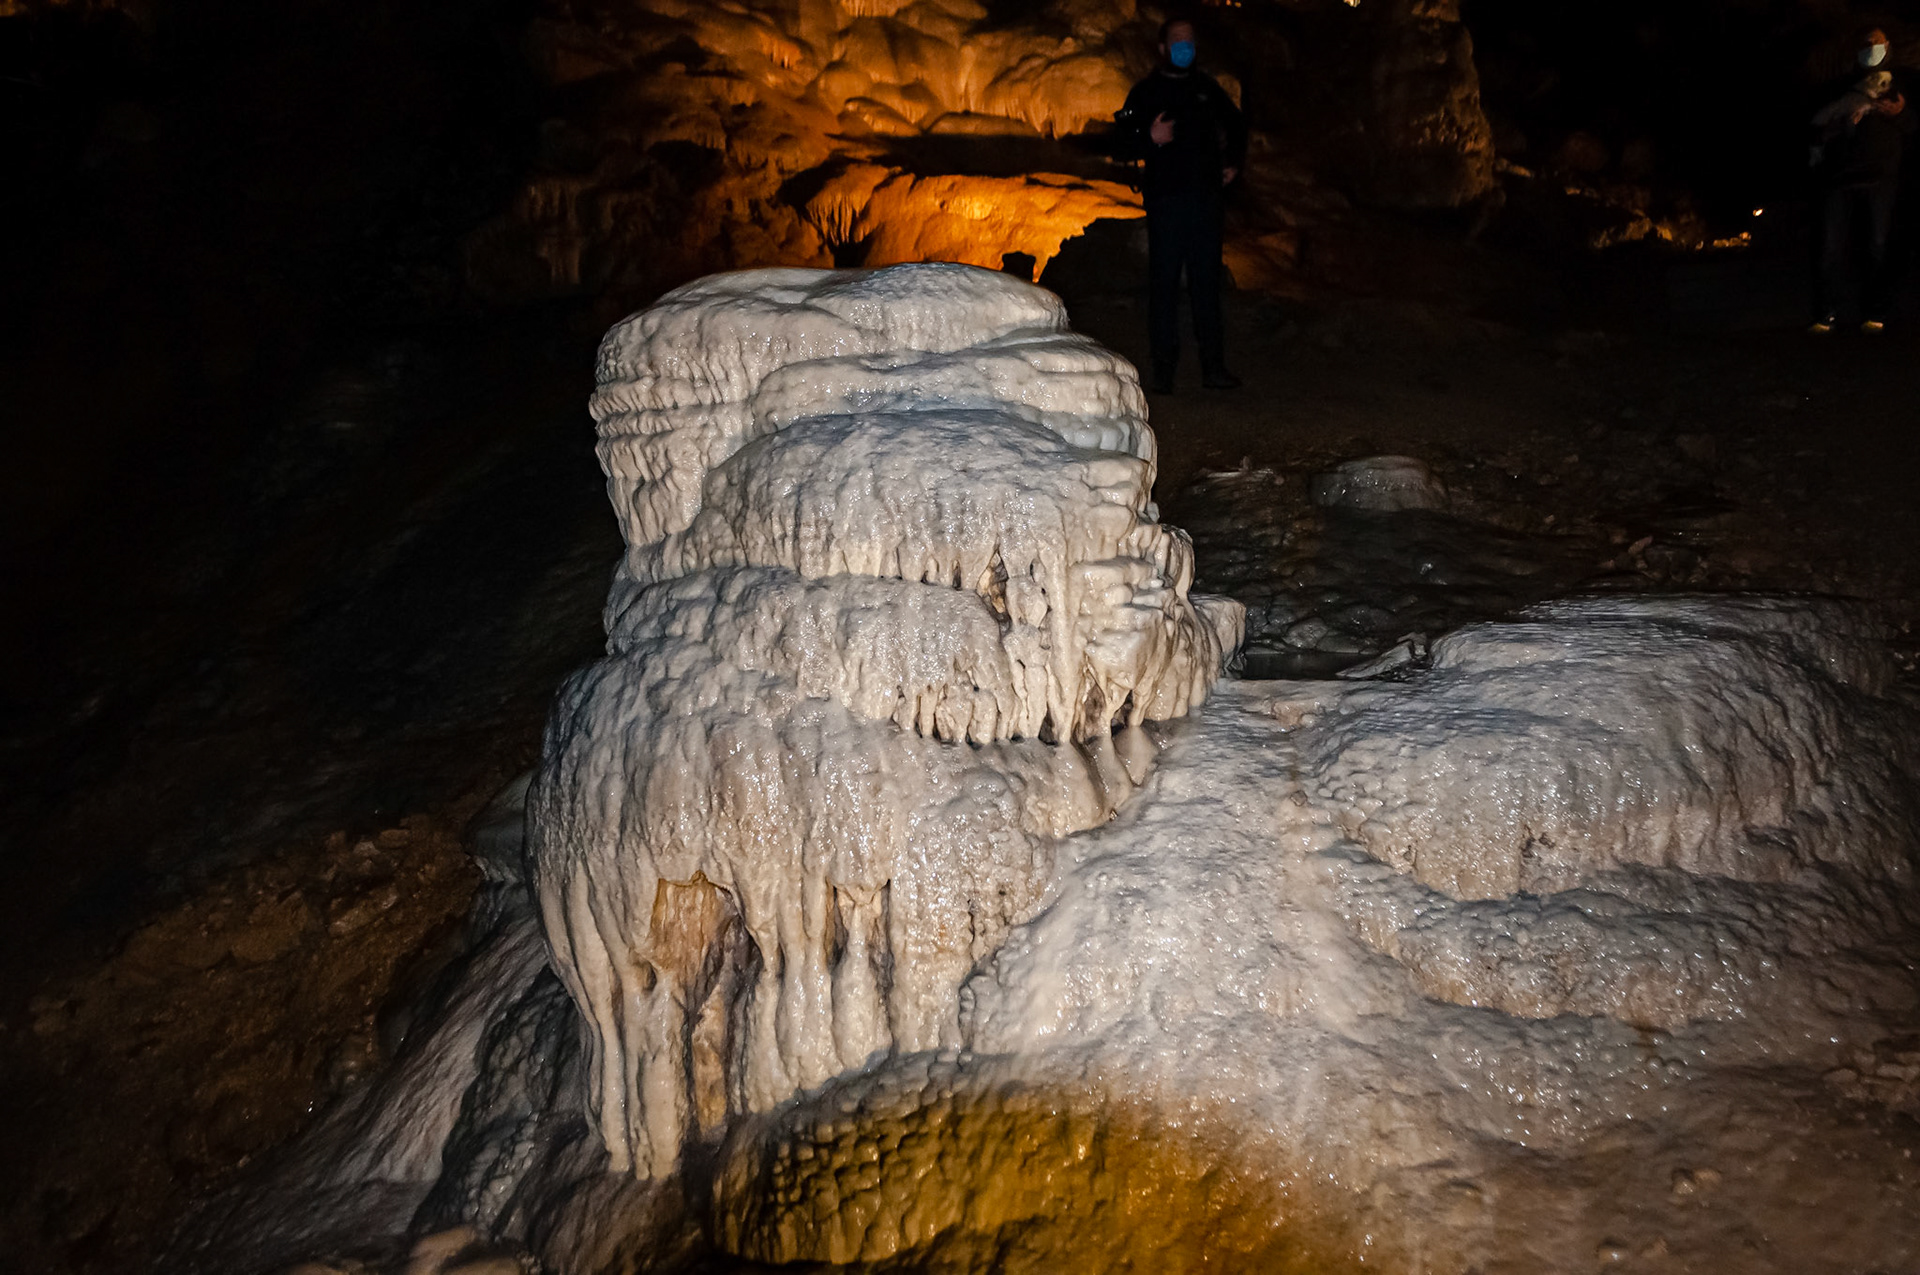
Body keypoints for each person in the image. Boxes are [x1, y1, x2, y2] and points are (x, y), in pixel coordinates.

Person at [1113, 16, 1248, 392]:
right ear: (1163, 48)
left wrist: (1234, 162)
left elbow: (1236, 125)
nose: (1184, 47)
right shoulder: (1145, 93)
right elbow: (1120, 144)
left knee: (1207, 285)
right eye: (1177, 41)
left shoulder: (1206, 88)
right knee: (1165, 286)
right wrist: (1149, 137)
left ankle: (1213, 366)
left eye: (1189, 41)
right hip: (1166, 203)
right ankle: (1164, 370)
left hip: (1205, 201)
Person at [1809, 28, 1916, 333]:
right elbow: (1819, 125)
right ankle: (1827, 314)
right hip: (1839, 178)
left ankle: (1876, 314)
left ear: (1888, 46)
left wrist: (1900, 112)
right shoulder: (1840, 87)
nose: (1872, 47)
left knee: (1878, 246)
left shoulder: (1900, 84)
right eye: (1866, 43)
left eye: (1877, 42)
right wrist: (1839, 125)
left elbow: (1914, 127)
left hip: (1882, 178)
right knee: (1831, 248)